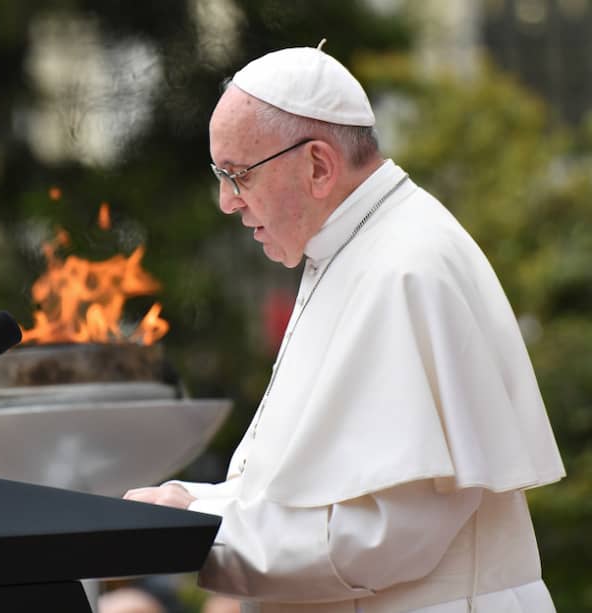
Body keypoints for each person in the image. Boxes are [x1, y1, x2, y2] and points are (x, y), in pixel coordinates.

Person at [123, 41, 565, 613]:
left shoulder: (405, 268)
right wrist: (192, 503)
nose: (227, 201)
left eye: (238, 175)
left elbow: (383, 535)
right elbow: (310, 492)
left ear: (318, 166)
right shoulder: (351, 251)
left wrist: (199, 532)